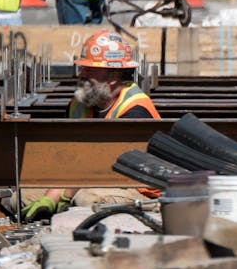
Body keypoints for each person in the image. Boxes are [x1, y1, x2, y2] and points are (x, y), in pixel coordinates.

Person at [21, 29, 161, 221]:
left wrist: (61, 195)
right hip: (85, 180)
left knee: (86, 199)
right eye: (83, 68)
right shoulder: (78, 104)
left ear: (113, 77)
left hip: (135, 188)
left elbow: (102, 165)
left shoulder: (135, 110)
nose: (82, 75)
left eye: (90, 70)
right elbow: (67, 156)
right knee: (22, 195)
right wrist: (52, 194)